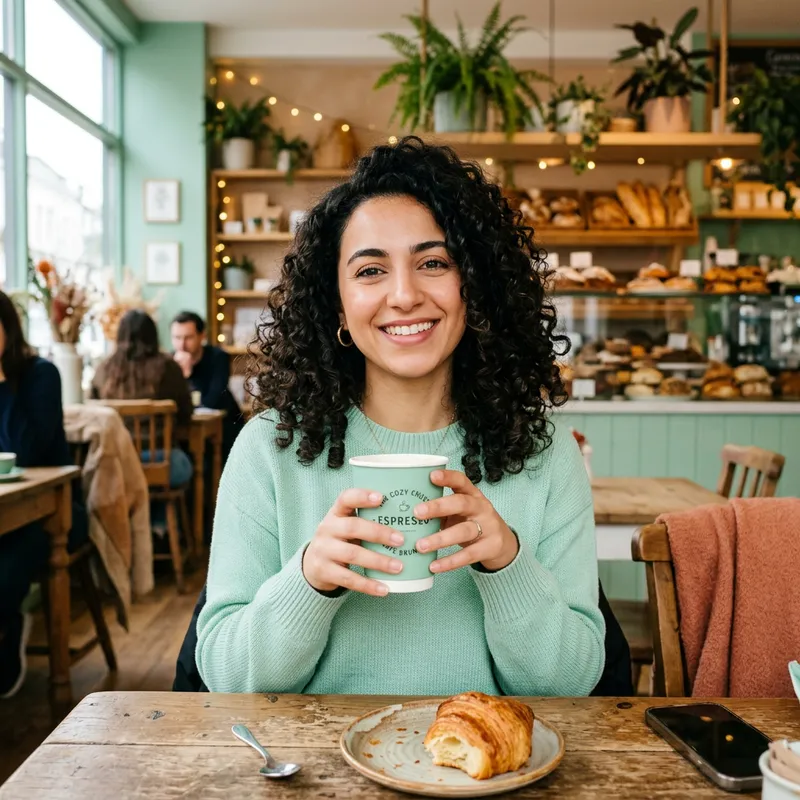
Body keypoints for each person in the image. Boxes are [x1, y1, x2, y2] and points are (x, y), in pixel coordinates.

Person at [196, 137, 605, 696]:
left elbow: (572, 685)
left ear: (474, 287)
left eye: (433, 263)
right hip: (318, 778)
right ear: (336, 303)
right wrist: (310, 578)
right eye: (370, 271)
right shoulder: (270, 448)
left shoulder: (542, 451)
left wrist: (508, 563)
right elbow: (224, 677)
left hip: (486, 772)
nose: (405, 294)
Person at [0, 290, 88, 698]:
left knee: (7, 564)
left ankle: (9, 626)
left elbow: (27, 450)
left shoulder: (41, 374)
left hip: (53, 512)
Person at [91, 310, 193, 488]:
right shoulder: (168, 368)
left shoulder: (103, 370)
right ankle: (160, 514)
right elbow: (186, 413)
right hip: (159, 461)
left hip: (115, 461)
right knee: (184, 464)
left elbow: (93, 413)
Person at [170, 311, 243, 458]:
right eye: (177, 338)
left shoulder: (218, 357)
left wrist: (188, 375)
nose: (182, 345)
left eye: (188, 337)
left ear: (202, 336)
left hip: (224, 426)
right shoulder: (169, 361)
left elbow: (212, 400)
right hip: (188, 428)